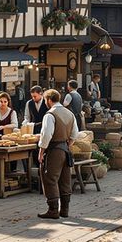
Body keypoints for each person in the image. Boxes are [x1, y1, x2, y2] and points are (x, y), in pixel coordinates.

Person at [37, 88, 78, 219]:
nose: (45, 102)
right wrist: (67, 145)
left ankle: (53, 210)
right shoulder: (69, 114)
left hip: (54, 150)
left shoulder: (50, 115)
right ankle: (65, 210)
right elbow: (74, 134)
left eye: (45, 100)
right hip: (66, 150)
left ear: (49, 100)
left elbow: (46, 135)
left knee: (50, 178)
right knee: (65, 180)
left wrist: (41, 151)